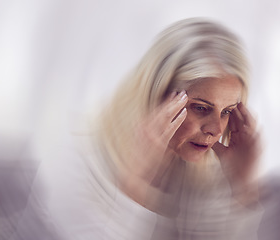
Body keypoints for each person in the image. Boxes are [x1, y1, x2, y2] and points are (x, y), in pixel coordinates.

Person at [14, 18, 263, 240]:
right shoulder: (72, 157)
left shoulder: (202, 170)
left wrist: (241, 188)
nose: (217, 129)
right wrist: (135, 186)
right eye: (200, 108)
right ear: (154, 97)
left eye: (227, 111)